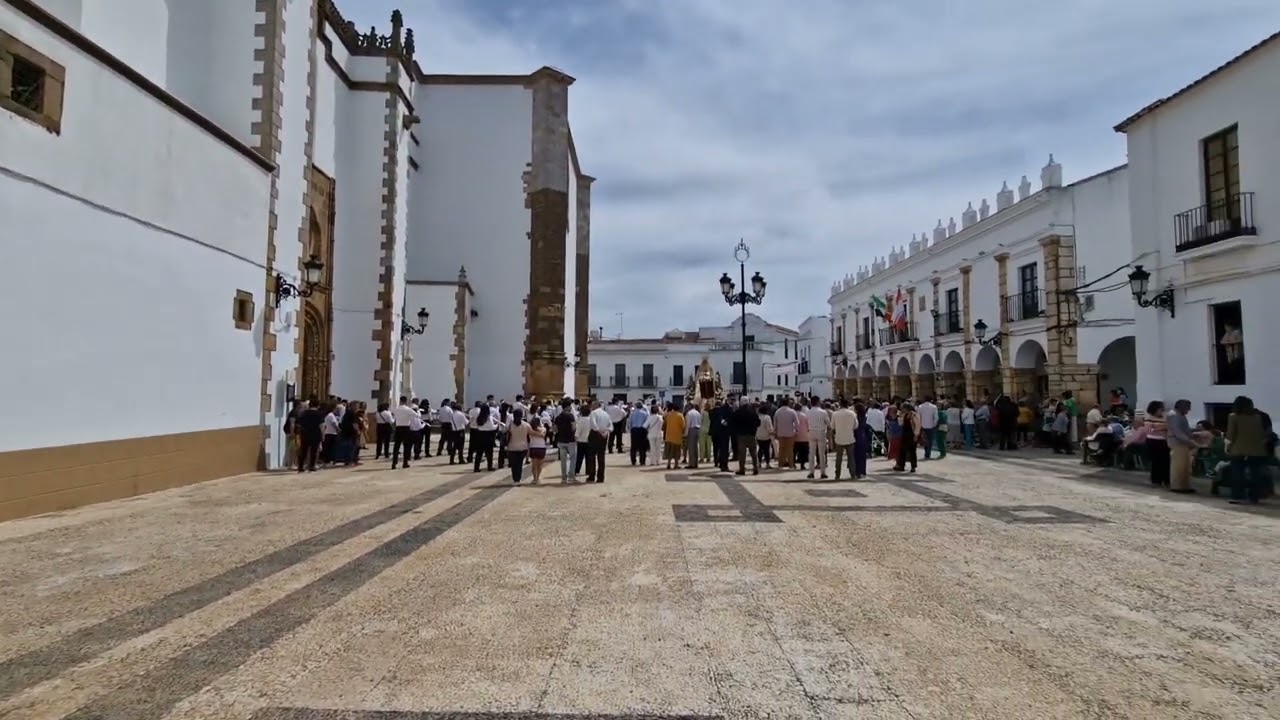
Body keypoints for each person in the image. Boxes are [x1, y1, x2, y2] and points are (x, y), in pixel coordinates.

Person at [1225, 395, 1271, 505]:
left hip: (1238, 450)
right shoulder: (1260, 416)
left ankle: (1238, 496)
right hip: (1258, 450)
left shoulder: (1233, 416)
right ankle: (1254, 497)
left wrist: (1227, 448)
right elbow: (1267, 433)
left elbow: (1231, 435)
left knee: (1238, 474)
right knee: (1255, 475)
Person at [1165, 399, 1197, 493]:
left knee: (1184, 466)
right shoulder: (1174, 416)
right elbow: (1177, 432)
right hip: (1177, 443)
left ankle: (1184, 486)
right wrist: (1190, 441)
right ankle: (1177, 486)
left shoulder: (1179, 415)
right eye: (1188, 408)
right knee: (1178, 466)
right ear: (1182, 407)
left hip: (1182, 443)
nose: (1189, 410)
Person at [731, 398, 761, 475]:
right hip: (751, 435)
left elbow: (733, 423)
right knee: (753, 453)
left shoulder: (738, 412)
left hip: (741, 435)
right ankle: (755, 468)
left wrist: (737, 431)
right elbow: (758, 423)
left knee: (742, 454)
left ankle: (742, 469)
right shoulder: (753, 412)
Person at [830, 399, 858, 480]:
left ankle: (837, 475)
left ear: (840, 405)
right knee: (851, 457)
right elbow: (856, 426)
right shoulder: (852, 413)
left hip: (839, 438)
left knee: (839, 458)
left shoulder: (835, 414)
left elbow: (832, 426)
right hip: (850, 437)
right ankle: (853, 474)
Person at [1145, 400, 1170, 488]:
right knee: (1156, 461)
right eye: (1160, 409)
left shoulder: (1165, 418)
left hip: (1164, 441)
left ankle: (1166, 480)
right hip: (1153, 440)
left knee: (1166, 461)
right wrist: (1161, 428)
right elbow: (1149, 430)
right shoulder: (1149, 418)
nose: (1162, 411)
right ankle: (1156, 480)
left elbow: (1169, 427)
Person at [295, 400, 325, 473]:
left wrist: (299, 434)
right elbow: (321, 426)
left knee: (303, 450)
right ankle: (312, 466)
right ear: (318, 406)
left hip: (305, 433)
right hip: (315, 434)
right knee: (314, 451)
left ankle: (301, 466)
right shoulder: (319, 414)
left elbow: (299, 425)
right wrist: (323, 435)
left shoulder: (304, 413)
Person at [586, 399, 612, 482]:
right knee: (601, 456)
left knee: (591, 456)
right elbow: (611, 426)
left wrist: (599, 431)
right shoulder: (606, 414)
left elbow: (593, 424)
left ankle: (592, 475)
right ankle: (601, 477)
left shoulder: (593, 413)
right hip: (604, 435)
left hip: (595, 434)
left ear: (596, 405)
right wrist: (606, 431)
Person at [553, 398, 578, 482]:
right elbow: (574, 427)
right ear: (567, 407)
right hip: (570, 440)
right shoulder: (571, 416)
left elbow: (555, 429)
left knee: (563, 460)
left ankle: (564, 477)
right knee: (572, 458)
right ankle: (571, 476)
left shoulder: (558, 417)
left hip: (561, 440)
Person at [805, 399, 830, 480]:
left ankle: (811, 472)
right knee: (821, 454)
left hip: (811, 431)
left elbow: (806, 422)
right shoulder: (823, 412)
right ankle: (823, 472)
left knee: (811, 453)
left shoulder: (808, 412)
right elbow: (828, 423)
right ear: (818, 402)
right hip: (821, 432)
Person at [505, 410, 532, 484]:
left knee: (514, 465)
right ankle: (518, 479)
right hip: (523, 447)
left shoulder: (510, 425)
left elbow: (506, 435)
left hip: (512, 447)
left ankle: (515, 479)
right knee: (519, 464)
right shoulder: (526, 425)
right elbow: (531, 433)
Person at [391, 396, 417, 470]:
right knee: (406, 446)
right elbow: (417, 415)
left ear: (400, 401)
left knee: (396, 447)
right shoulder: (408, 409)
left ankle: (394, 463)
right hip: (406, 428)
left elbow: (393, 418)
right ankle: (405, 462)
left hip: (398, 428)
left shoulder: (396, 409)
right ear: (406, 401)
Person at [894, 403, 921, 472]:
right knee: (902, 451)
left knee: (912, 451)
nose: (902, 410)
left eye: (903, 408)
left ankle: (913, 466)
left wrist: (916, 435)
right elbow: (900, 424)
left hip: (911, 434)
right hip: (905, 434)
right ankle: (901, 465)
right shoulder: (904, 415)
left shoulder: (914, 415)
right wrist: (900, 417)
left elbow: (917, 426)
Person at [471, 404, 499, 472]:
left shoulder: (479, 417)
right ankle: (489, 466)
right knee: (489, 452)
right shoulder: (489, 417)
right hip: (489, 435)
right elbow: (492, 427)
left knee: (479, 452)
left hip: (480, 435)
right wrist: (497, 425)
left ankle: (476, 467)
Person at [774, 399, 798, 468]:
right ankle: (791, 465)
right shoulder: (792, 411)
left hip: (780, 433)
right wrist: (796, 430)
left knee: (781, 449)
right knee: (790, 450)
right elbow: (797, 423)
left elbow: (775, 423)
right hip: (790, 433)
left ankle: (780, 464)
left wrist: (775, 432)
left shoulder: (777, 412)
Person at [663, 402, 686, 470]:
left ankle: (668, 464)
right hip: (677, 436)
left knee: (669, 452)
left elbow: (664, 424)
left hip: (668, 436)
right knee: (676, 452)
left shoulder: (668, 415)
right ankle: (676, 465)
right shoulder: (680, 416)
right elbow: (683, 426)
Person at [853, 402, 871, 479]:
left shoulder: (856, 417)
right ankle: (863, 471)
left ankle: (857, 471)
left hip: (856, 435)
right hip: (863, 436)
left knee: (856, 455)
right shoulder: (865, 417)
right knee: (862, 456)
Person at [527, 416, 548, 484]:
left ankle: (535, 478)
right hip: (541, 447)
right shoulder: (543, 429)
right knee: (539, 465)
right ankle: (537, 478)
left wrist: (534, 433)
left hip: (533, 447)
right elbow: (542, 435)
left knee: (534, 465)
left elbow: (533, 434)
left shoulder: (530, 429)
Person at [628, 402, 650, 466]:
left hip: (634, 429)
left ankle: (633, 461)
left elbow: (629, 422)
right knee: (642, 446)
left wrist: (630, 429)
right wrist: (646, 430)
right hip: (642, 429)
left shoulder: (632, 413)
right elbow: (647, 423)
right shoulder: (645, 413)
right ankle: (642, 461)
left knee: (633, 446)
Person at [684, 402, 703, 469]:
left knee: (691, 448)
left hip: (691, 429)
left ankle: (691, 463)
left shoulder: (689, 413)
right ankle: (696, 463)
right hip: (698, 429)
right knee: (695, 447)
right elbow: (700, 422)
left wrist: (686, 433)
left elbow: (688, 424)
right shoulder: (698, 413)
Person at [756, 403, 775, 469]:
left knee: (760, 449)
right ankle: (767, 463)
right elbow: (769, 427)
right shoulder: (767, 417)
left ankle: (759, 463)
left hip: (758, 435)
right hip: (766, 436)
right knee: (766, 450)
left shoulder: (757, 417)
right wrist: (772, 432)